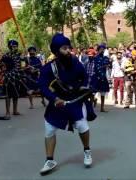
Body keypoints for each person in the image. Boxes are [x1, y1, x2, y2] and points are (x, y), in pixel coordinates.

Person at [38, 33, 93, 175]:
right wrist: (54, 99)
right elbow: (43, 87)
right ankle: (49, 160)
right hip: (57, 103)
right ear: (56, 51)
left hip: (75, 100)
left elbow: (85, 77)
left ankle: (87, 151)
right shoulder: (48, 68)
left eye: (69, 47)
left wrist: (85, 88)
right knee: (49, 129)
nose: (69, 51)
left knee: (82, 126)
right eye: (64, 48)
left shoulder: (76, 63)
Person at [0, 40, 28, 120]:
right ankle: (7, 112)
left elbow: (23, 66)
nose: (15, 48)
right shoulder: (5, 55)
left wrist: (25, 59)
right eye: (13, 46)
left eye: (16, 46)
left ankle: (15, 110)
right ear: (10, 47)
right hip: (8, 77)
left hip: (16, 77)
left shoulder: (19, 56)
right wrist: (3, 66)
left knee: (15, 94)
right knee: (8, 95)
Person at [87, 45, 110, 112]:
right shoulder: (95, 58)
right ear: (98, 50)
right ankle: (90, 108)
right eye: (100, 49)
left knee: (103, 93)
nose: (102, 50)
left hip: (103, 77)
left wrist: (105, 65)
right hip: (95, 77)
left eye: (103, 49)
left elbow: (108, 64)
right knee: (92, 93)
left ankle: (102, 108)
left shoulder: (106, 58)